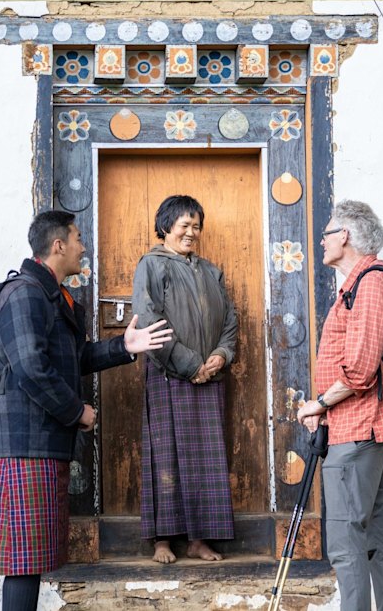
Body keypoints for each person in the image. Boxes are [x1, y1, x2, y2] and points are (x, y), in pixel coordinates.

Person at [0, 210, 172, 611]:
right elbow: (31, 369)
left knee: (30, 559)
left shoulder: (53, 295)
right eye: (79, 238)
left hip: (43, 445)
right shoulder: (24, 294)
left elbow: (73, 358)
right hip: (24, 447)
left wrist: (124, 346)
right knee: (23, 561)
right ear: (58, 245)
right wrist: (76, 411)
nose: (84, 247)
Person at [297, 200, 383, 611]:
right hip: (362, 430)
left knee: (346, 545)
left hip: (358, 431)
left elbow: (360, 371)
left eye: (326, 233)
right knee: (379, 541)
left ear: (343, 235)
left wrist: (318, 405)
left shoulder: (373, 283)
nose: (321, 241)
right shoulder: (362, 283)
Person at [132, 194, 237, 564]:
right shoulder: (152, 265)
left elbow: (230, 320)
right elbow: (149, 321)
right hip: (168, 376)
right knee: (166, 457)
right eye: (184, 225)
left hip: (210, 376)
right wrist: (190, 364)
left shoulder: (210, 271)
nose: (192, 232)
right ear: (165, 227)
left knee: (206, 461)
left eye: (196, 226)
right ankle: (163, 539)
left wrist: (220, 356)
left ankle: (199, 539)